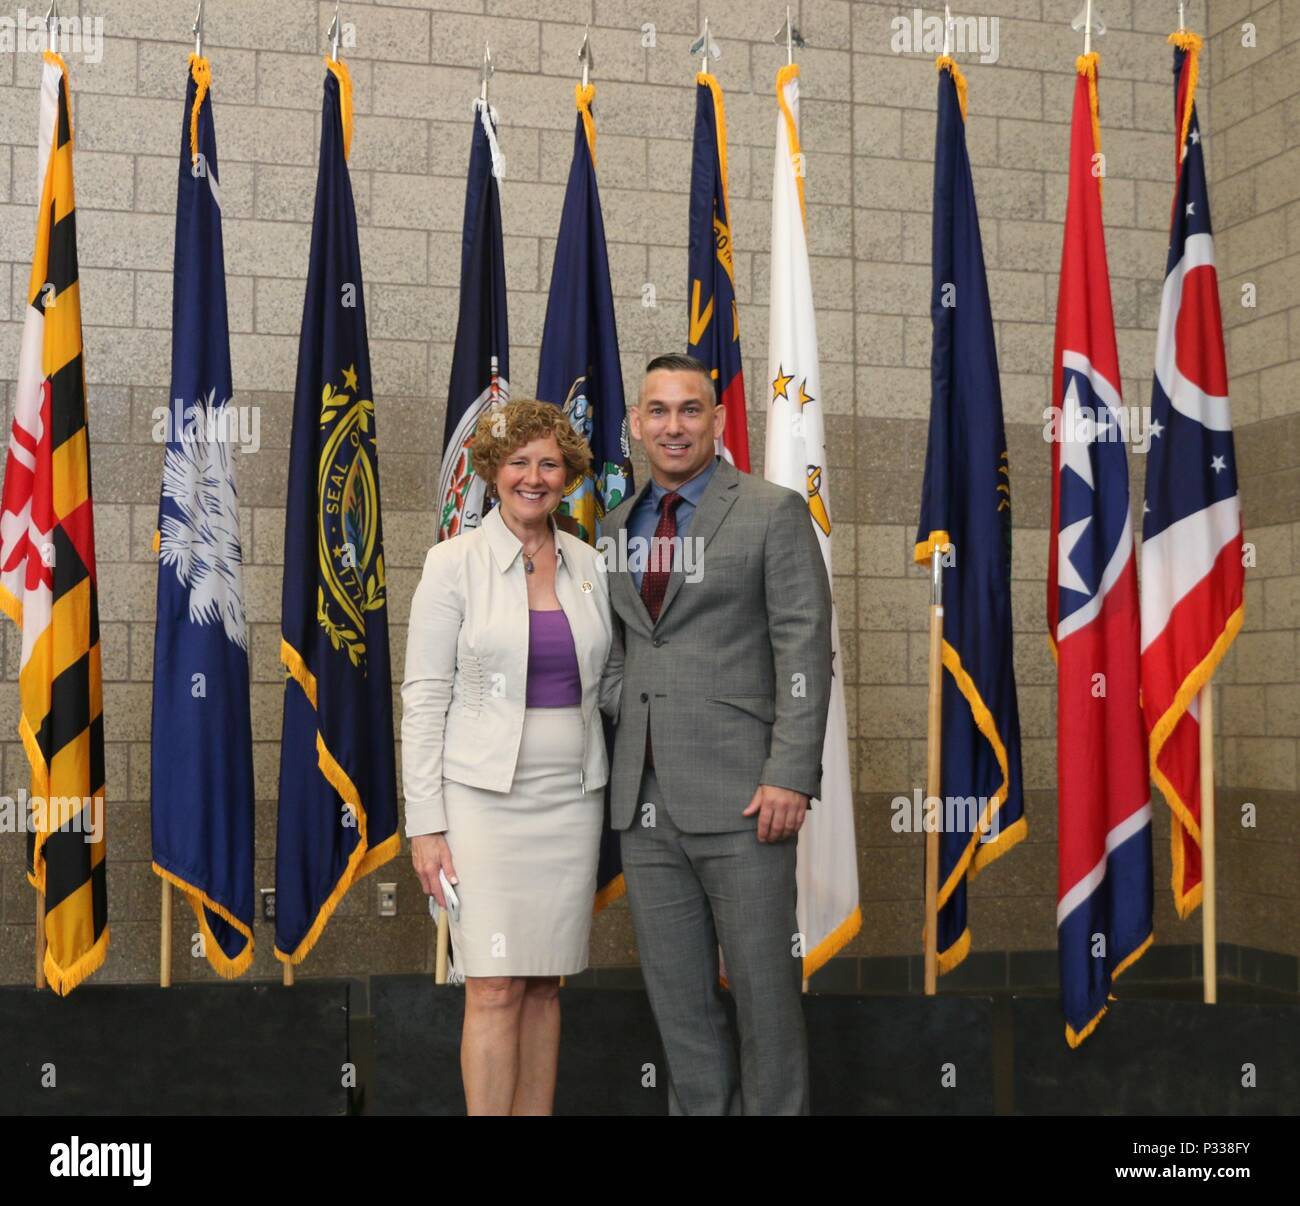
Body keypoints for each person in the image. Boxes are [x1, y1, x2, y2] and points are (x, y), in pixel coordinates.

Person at [599, 353, 832, 1115]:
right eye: (658, 411)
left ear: (717, 419)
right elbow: (621, 651)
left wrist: (791, 773)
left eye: (690, 410)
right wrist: (629, 711)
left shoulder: (771, 510)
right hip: (643, 803)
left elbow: (805, 648)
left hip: (747, 799)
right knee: (680, 1009)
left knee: (766, 1001)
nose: (673, 426)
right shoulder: (614, 526)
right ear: (637, 424)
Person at [401, 399, 616, 1116]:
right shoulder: (451, 563)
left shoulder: (588, 562)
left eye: (549, 463)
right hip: (482, 804)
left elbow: (609, 682)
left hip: (573, 798)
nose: (534, 476)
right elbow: (425, 696)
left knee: (546, 983)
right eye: (519, 461)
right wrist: (425, 826)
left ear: (568, 475)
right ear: (494, 472)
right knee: (493, 983)